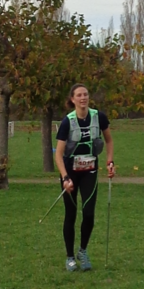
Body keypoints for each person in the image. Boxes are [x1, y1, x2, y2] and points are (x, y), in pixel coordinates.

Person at [54, 83, 115, 271]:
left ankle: (83, 250)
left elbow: (109, 140)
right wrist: (65, 177)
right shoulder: (67, 122)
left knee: (88, 213)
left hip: (90, 171)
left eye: (85, 94)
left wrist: (110, 161)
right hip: (70, 173)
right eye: (79, 95)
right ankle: (70, 257)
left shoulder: (99, 117)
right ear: (72, 99)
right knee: (71, 214)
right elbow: (58, 154)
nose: (83, 98)